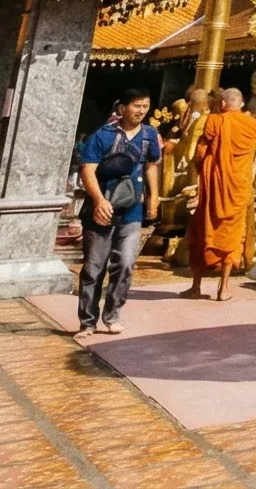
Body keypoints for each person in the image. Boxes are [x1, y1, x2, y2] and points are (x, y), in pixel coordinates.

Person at [73, 88, 163, 334]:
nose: (141, 111)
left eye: (145, 106)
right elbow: (87, 170)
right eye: (136, 106)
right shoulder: (103, 135)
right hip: (101, 207)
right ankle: (87, 321)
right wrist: (99, 201)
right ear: (122, 108)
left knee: (125, 263)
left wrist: (154, 197)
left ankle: (112, 315)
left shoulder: (149, 135)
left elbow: (151, 166)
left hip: (132, 209)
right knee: (94, 267)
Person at [185, 87, 256, 301]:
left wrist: (202, 168)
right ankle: (224, 289)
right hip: (239, 187)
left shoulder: (215, 121)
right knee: (233, 237)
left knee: (203, 232)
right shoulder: (252, 125)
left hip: (215, 187)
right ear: (242, 104)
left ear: (224, 104)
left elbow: (201, 152)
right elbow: (253, 153)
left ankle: (196, 287)